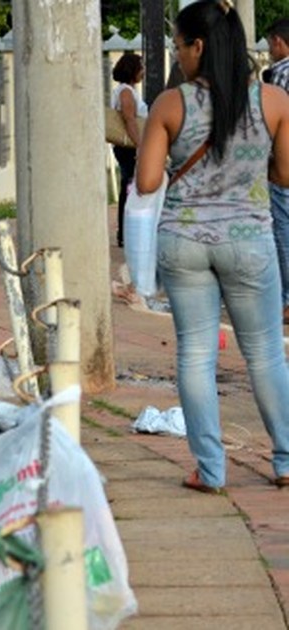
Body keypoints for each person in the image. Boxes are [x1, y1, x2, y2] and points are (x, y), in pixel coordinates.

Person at [135, 0, 289, 492]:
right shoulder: (274, 101)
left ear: (198, 45)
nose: (178, 56)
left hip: (184, 242)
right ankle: (286, 461)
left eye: (179, 45)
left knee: (196, 353)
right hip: (249, 242)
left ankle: (211, 469)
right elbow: (285, 174)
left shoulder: (170, 103)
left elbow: (146, 181)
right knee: (265, 353)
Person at [265, 18, 289, 323]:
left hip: (282, 161)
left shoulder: (280, 74)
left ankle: (286, 299)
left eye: (270, 43)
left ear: (279, 42)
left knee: (282, 227)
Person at [110, 52, 146, 248]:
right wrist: (140, 146)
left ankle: (126, 232)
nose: (144, 71)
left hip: (128, 147)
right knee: (131, 189)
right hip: (129, 148)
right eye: (141, 67)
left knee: (129, 188)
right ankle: (126, 232)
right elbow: (129, 119)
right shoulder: (126, 92)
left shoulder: (128, 90)